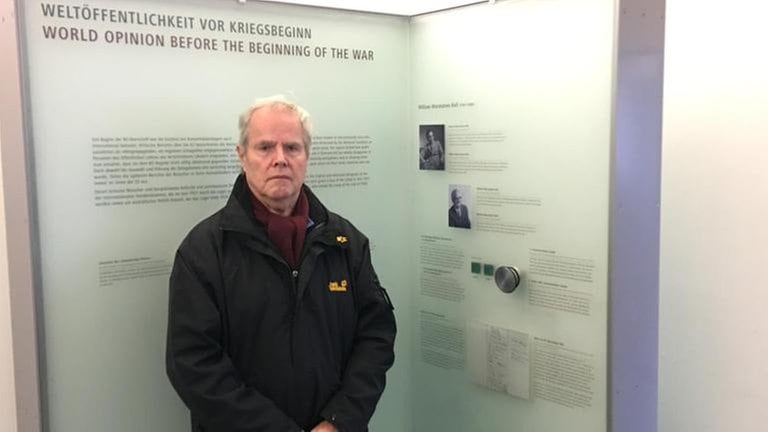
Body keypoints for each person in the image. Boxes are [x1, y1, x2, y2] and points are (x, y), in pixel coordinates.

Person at [166, 95, 396, 432]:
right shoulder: (204, 250)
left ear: (307, 156)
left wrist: (339, 420)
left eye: (292, 147)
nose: (280, 159)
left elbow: (376, 335)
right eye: (264, 148)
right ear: (241, 156)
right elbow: (193, 364)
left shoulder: (345, 242)